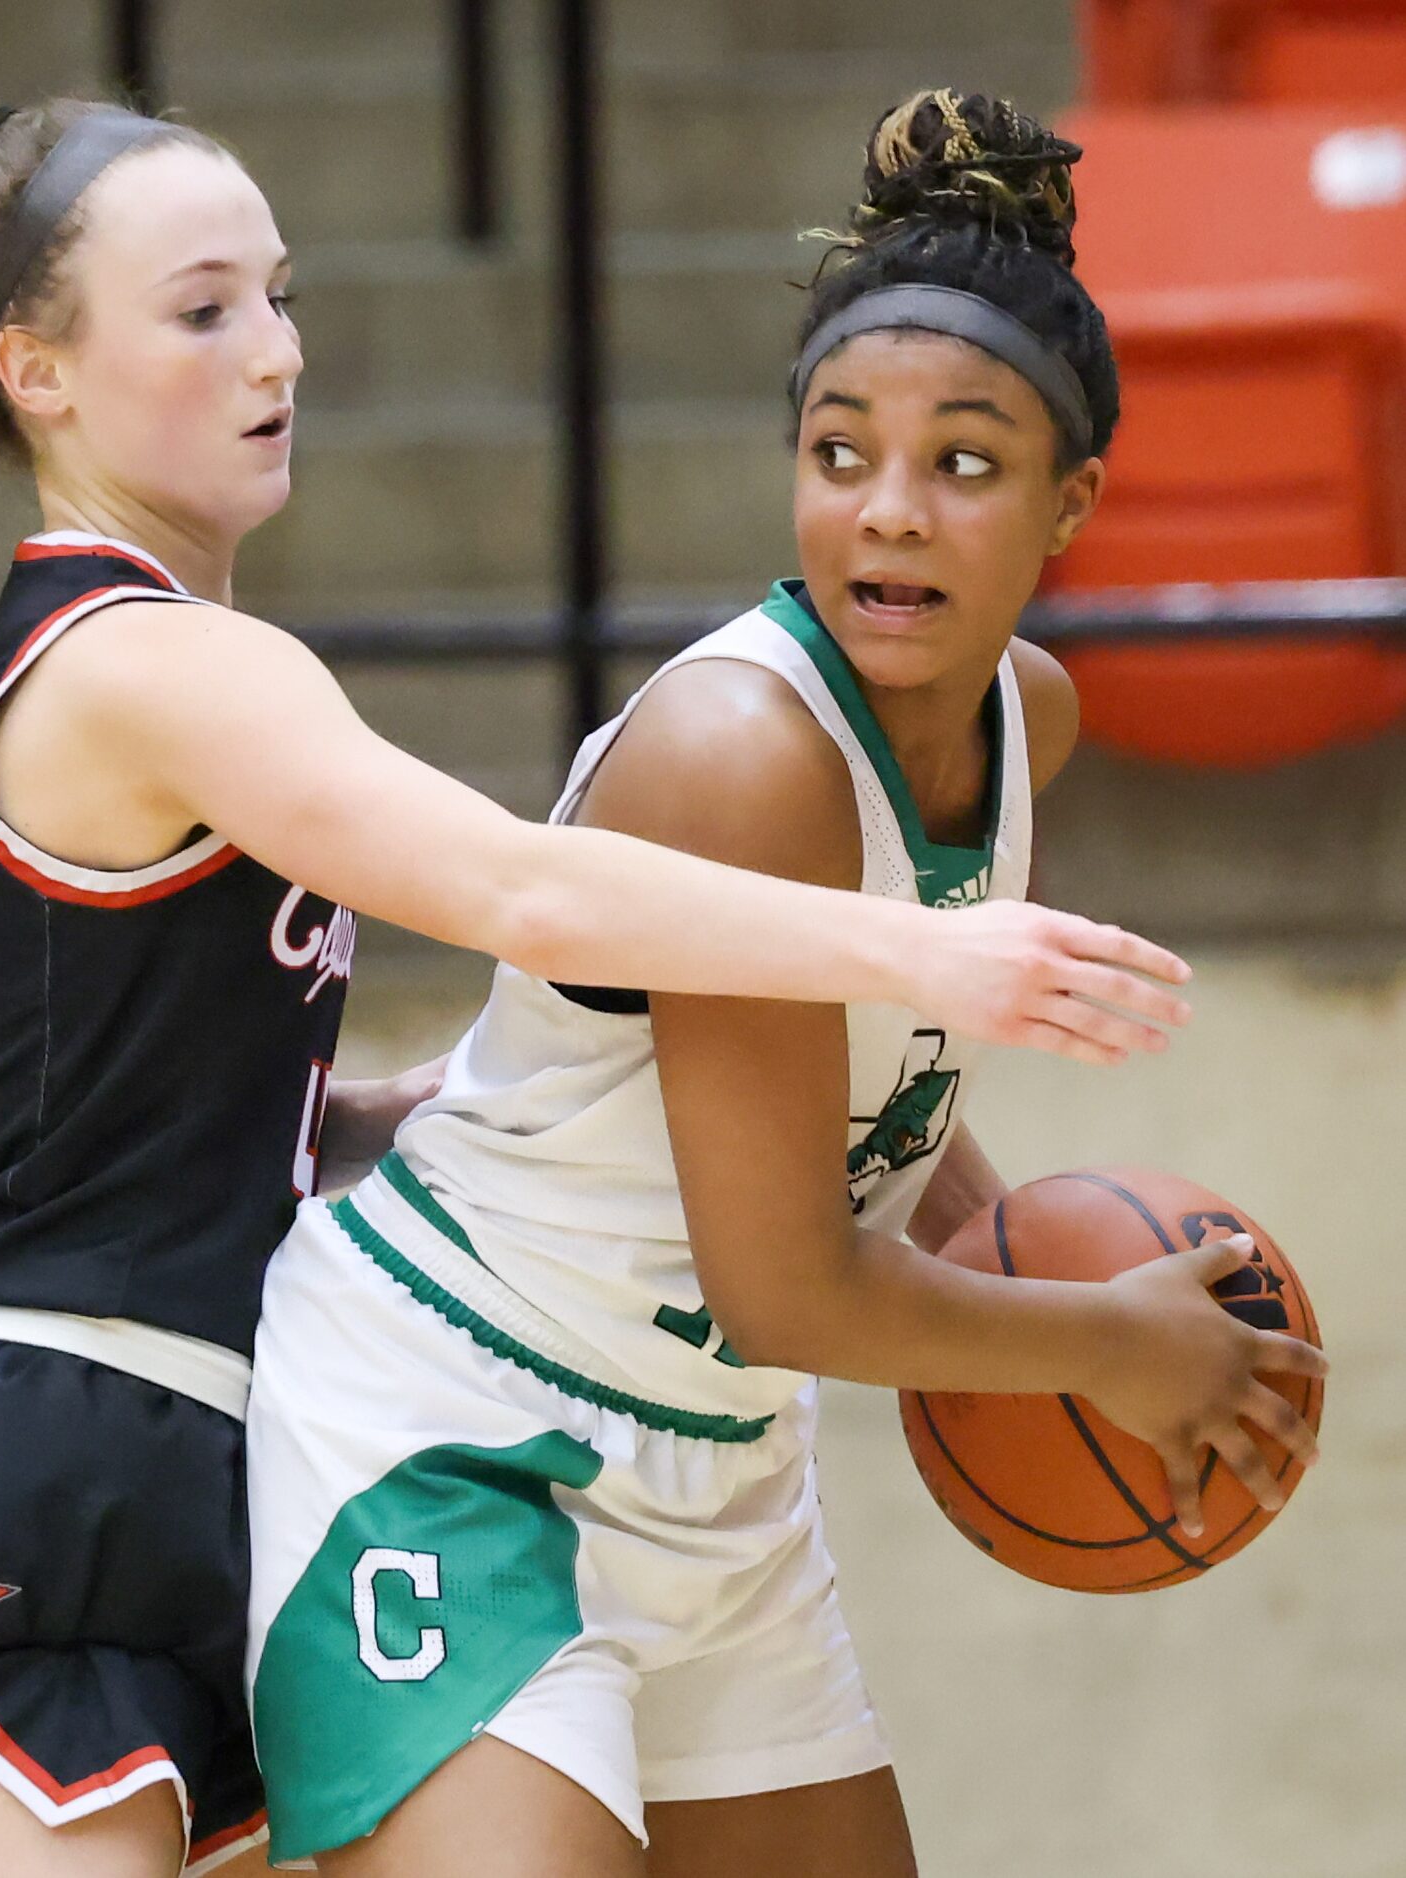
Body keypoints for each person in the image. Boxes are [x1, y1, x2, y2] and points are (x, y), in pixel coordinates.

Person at [0, 96, 1201, 1878]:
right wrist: (927, 946)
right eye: (202, 311)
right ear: (34, 369)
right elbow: (514, 883)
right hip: (54, 1444)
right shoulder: (143, 664)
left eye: (280, 296)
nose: (275, 349)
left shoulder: (206, 665)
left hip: (232, 1434)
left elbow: (170, 1074)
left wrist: (418, 1106)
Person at [240, 91, 1333, 1878]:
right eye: (840, 454)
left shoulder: (1022, 720)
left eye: (964, 465)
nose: (889, 515)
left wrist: (996, 1229)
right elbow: (783, 1282)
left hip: (718, 1467)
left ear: (1074, 505)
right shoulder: (742, 752)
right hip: (457, 1429)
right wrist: (1102, 1342)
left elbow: (869, 1081)